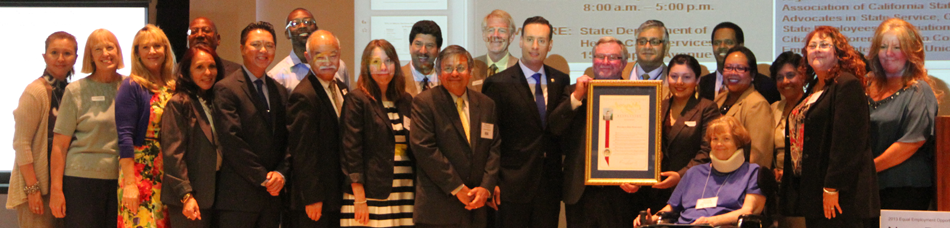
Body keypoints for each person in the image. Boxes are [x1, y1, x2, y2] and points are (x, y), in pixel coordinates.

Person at [781, 26, 879, 228]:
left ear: (838, 53)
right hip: (815, 192)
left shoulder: (846, 84)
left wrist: (832, 187)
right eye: (812, 45)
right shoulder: (816, 87)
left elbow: (848, 143)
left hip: (841, 196)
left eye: (824, 45)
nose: (817, 49)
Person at [481, 16, 569, 228]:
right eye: (530, 39)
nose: (535, 46)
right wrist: (491, 181)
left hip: (548, 186)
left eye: (541, 40)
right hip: (510, 185)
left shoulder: (561, 80)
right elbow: (489, 138)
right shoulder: (498, 83)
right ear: (520, 41)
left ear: (550, 44)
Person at [548, 36, 639, 227]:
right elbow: (555, 127)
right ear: (593, 61)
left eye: (612, 57)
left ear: (623, 63)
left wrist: (637, 176)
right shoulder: (574, 91)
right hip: (581, 192)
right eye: (600, 57)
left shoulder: (636, 94)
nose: (605, 62)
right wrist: (577, 97)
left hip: (620, 191)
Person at [410, 45, 501, 228]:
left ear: (470, 71)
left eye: (460, 68)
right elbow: (425, 149)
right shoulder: (425, 103)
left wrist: (486, 187)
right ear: (439, 72)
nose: (454, 74)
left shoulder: (486, 105)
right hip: (438, 208)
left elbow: (493, 147)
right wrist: (458, 188)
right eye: (448, 68)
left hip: (476, 206)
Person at [212, 21, 290, 228]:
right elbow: (232, 140)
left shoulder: (280, 91)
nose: (263, 50)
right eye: (256, 44)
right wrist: (263, 178)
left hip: (272, 199)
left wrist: (281, 174)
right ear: (242, 49)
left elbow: (288, 140)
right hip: (239, 198)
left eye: (270, 45)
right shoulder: (226, 89)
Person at [48, 28, 125, 228]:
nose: (105, 53)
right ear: (90, 56)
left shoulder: (131, 86)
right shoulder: (76, 91)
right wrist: (56, 190)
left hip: (121, 181)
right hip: (81, 182)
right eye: (97, 49)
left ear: (119, 51)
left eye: (110, 47)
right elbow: (59, 146)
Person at [634, 116, 765, 226]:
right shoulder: (693, 173)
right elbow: (670, 208)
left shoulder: (752, 172)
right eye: (715, 139)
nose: (719, 144)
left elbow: (748, 211)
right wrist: (652, 219)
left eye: (726, 139)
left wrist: (710, 221)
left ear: (738, 142)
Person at [866, 18, 940, 210]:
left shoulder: (919, 91)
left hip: (904, 190)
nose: (888, 53)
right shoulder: (864, 88)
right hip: (869, 188)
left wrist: (868, 169)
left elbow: (912, 142)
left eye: (897, 47)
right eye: (883, 46)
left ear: (910, 52)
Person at [340, 39, 414, 227]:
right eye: (376, 62)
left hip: (404, 190)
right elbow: (351, 152)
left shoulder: (405, 100)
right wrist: (359, 199)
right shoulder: (357, 100)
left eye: (388, 61)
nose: (383, 67)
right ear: (366, 66)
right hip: (370, 193)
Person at [8, 31, 76, 228]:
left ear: (76, 58)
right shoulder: (35, 91)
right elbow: (21, 143)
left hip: (62, 187)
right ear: (45, 57)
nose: (60, 59)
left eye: (67, 53)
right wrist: (33, 189)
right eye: (54, 52)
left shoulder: (70, 91)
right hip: (38, 189)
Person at [115, 24, 177, 228]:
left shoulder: (174, 86)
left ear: (165, 50)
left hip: (168, 170)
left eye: (157, 46)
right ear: (137, 53)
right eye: (146, 47)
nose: (152, 51)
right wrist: (131, 185)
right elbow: (124, 137)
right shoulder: (132, 86)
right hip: (140, 171)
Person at [286, 30, 346, 228]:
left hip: (337, 193)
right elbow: (303, 152)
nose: (328, 61)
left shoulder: (341, 87)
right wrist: (312, 197)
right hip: (316, 199)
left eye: (333, 55)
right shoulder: (304, 95)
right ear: (308, 57)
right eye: (320, 56)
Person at [161, 46, 226, 228]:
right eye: (199, 67)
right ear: (187, 72)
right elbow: (174, 155)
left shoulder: (218, 101)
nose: (207, 73)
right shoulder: (178, 104)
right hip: (189, 197)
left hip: (217, 193)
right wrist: (186, 195)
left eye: (212, 66)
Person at [713, 46, 774, 168]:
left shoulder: (757, 104)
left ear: (752, 75)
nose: (732, 73)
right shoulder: (720, 99)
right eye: (728, 68)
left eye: (740, 68)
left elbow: (758, 157)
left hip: (741, 181)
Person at [768, 51, 808, 228]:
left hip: (804, 186)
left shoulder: (814, 105)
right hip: (777, 188)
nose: (785, 82)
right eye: (779, 77)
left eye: (790, 75)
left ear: (803, 76)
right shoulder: (774, 108)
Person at [269, 8, 350, 92]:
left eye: (308, 22)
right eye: (294, 23)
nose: (302, 26)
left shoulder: (338, 66)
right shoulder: (277, 76)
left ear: (316, 29)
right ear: (287, 34)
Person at [698, 22, 780, 104]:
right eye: (717, 43)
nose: (722, 47)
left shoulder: (765, 85)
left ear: (741, 45)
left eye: (728, 42)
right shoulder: (701, 85)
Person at [472, 9, 519, 91]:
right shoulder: (470, 68)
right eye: (491, 30)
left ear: (511, 37)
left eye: (502, 31)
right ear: (484, 35)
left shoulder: (521, 69)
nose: (496, 35)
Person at [401, 20, 443, 96]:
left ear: (438, 50)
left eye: (429, 45)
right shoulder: (396, 78)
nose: (423, 51)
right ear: (410, 47)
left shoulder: (446, 80)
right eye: (418, 44)